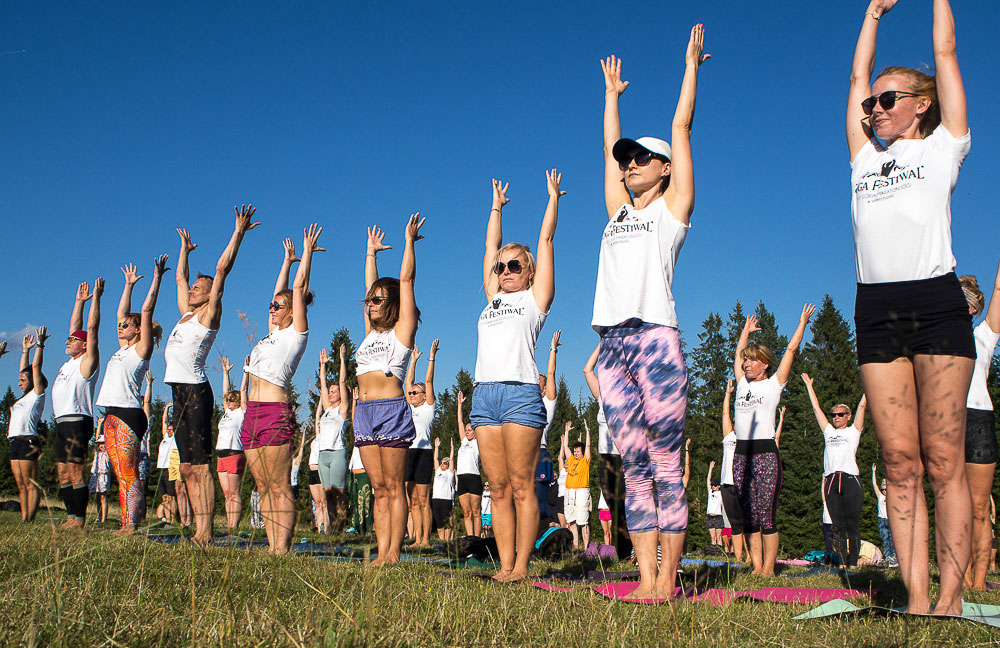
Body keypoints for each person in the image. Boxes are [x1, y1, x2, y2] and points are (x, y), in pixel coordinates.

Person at [847, 0, 973, 615]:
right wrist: (872, 14)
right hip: (876, 308)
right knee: (899, 461)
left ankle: (952, 597)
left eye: (887, 100)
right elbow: (854, 79)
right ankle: (916, 597)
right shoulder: (863, 156)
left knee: (943, 460)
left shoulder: (945, 145)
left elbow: (945, 53)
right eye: (871, 103)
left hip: (936, 303)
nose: (874, 109)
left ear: (921, 104)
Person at [594, 25, 708, 599]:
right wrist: (612, 100)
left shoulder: (673, 211)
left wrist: (690, 68)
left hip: (656, 341)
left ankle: (670, 578)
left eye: (642, 159)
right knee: (632, 465)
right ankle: (644, 579)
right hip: (612, 346)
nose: (632, 163)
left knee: (665, 461)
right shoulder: (618, 211)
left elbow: (680, 127)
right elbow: (608, 153)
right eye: (627, 160)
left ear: (664, 169)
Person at [473, 169, 562, 583]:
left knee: (524, 485)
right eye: (502, 266)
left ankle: (523, 566)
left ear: (528, 272)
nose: (506, 269)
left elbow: (545, 242)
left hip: (521, 393)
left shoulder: (534, 300)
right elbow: (491, 245)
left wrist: (552, 199)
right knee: (498, 486)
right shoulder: (492, 298)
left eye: (515, 265)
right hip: (484, 395)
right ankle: (504, 566)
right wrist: (496, 207)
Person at [166, 206, 258, 545]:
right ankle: (198, 528)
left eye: (199, 287)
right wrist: (184, 252)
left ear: (210, 293)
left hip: (195, 393)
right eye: (193, 286)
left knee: (202, 466)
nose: (192, 289)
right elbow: (179, 279)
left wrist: (239, 232)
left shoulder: (209, 314)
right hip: (177, 394)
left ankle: (205, 531)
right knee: (187, 467)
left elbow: (222, 269)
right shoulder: (184, 315)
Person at [243, 228, 320, 554]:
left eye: (279, 305)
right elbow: (282, 290)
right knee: (262, 486)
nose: (272, 307)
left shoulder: (296, 334)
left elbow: (296, 290)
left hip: (274, 412)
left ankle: (281, 549)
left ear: (293, 310)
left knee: (278, 485)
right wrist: (286, 262)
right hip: (251, 414)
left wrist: (307, 252)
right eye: (271, 305)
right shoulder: (272, 333)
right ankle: (272, 544)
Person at [355, 215, 426, 566]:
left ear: (394, 303)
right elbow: (372, 285)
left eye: (380, 300)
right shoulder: (370, 333)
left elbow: (406, 279)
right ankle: (382, 552)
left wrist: (408, 241)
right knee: (378, 489)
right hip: (363, 413)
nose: (372, 304)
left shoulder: (403, 330)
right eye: (370, 300)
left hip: (390, 408)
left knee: (395, 487)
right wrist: (370, 254)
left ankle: (393, 555)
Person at [733, 306, 815, 576]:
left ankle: (769, 567)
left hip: (765, 454)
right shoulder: (742, 383)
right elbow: (737, 354)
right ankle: (756, 566)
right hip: (741, 455)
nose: (746, 364)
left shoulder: (773, 384)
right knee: (749, 515)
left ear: (765, 363)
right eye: (745, 361)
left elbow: (790, 351)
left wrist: (801, 323)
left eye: (752, 360)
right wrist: (745, 331)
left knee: (766, 513)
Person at [97, 257, 168, 535]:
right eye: (121, 325)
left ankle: (131, 525)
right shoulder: (122, 349)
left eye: (127, 325)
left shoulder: (142, 349)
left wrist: (156, 278)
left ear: (139, 329)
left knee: (129, 474)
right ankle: (129, 520)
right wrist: (127, 285)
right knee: (120, 475)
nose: (121, 327)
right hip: (112, 414)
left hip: (129, 414)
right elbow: (120, 313)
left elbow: (145, 309)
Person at [959, 265, 1000, 590]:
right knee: (952, 501)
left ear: (973, 308)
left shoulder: (984, 334)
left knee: (978, 506)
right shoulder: (937, 338)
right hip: (946, 421)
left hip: (978, 419)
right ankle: (957, 575)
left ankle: (979, 580)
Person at [801, 373, 867, 568]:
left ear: (848, 416)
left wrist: (870, 386)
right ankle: (840, 564)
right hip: (831, 480)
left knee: (852, 525)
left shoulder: (853, 431)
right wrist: (809, 387)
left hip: (849, 479)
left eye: (840, 414)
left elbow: (862, 406)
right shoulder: (828, 432)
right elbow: (816, 408)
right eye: (834, 415)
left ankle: (853, 564)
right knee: (837, 526)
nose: (836, 418)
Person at [54, 280, 104, 529]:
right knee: (63, 472)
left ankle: (80, 519)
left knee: (75, 471)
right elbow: (75, 327)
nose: (67, 342)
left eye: (73, 340)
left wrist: (96, 299)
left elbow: (90, 329)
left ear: (84, 345)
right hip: (61, 422)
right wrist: (79, 302)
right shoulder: (68, 362)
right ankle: (70, 516)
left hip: (77, 420)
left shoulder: (87, 361)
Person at [584, 345, 629, 559]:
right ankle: (624, 552)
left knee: (626, 506)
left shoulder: (627, 396)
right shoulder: (602, 397)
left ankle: (634, 550)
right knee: (612, 505)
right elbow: (587, 370)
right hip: (605, 457)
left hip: (623, 457)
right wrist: (602, 344)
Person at [8, 328, 48, 522]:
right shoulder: (21, 399)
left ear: (32, 381)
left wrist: (39, 346)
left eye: (23, 380)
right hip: (15, 442)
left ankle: (29, 519)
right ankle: (24, 518)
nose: (19, 382)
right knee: (21, 484)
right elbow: (24, 370)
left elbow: (35, 368)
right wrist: (25, 351)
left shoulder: (36, 395)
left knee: (30, 483)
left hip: (28, 440)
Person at [404, 339, 439, 547]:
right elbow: (408, 384)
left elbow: (429, 380)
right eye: (410, 394)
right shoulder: (411, 408)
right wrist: (413, 361)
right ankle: (416, 538)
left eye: (415, 393)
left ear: (424, 396)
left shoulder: (428, 407)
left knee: (424, 499)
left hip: (424, 453)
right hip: (409, 453)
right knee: (413, 501)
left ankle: (426, 539)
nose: (411, 395)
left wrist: (431, 357)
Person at [317, 346, 350, 533]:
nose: (331, 393)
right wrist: (323, 366)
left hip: (337, 453)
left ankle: (340, 528)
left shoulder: (342, 410)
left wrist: (342, 359)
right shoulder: (327, 409)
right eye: (330, 391)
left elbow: (343, 381)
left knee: (339, 494)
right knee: (328, 494)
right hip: (323, 456)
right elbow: (322, 386)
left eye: (334, 391)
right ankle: (330, 529)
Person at [217, 357, 248, 532]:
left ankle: (233, 525)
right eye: (227, 400)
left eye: (231, 399)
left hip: (234, 453)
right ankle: (229, 523)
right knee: (227, 493)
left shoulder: (241, 413)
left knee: (234, 492)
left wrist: (246, 371)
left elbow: (244, 391)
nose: (228, 401)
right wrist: (225, 372)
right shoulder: (227, 413)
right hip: (221, 453)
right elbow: (225, 391)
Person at [536, 331, 560, 523]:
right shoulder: (523, 401)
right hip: (521, 453)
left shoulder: (547, 403)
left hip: (539, 454)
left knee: (540, 502)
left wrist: (552, 350)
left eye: (539, 381)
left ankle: (542, 538)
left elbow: (550, 374)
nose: (535, 381)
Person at [719, 379, 743, 561]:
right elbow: (725, 414)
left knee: (748, 523)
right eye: (734, 422)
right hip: (726, 484)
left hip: (743, 483)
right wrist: (728, 394)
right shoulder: (729, 436)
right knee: (735, 524)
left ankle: (752, 557)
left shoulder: (748, 438)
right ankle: (740, 558)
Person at [455, 390, 483, 537]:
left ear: (475, 432)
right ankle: (470, 538)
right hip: (462, 478)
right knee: (466, 513)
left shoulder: (478, 442)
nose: (467, 432)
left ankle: (477, 539)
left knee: (476, 512)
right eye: (466, 430)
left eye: (470, 430)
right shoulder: (464, 441)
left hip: (474, 478)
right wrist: (460, 404)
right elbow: (459, 422)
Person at [562, 422, 591, 549]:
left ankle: (586, 548)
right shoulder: (572, 460)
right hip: (569, 492)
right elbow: (565, 446)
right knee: (571, 521)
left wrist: (587, 430)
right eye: (575, 451)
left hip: (581, 492)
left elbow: (588, 445)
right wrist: (567, 431)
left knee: (583, 522)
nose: (576, 453)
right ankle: (575, 547)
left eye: (578, 451)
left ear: (582, 452)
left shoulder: (585, 460)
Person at [871, 464, 897, 568]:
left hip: (891, 520)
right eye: (883, 489)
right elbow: (874, 484)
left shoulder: (893, 497)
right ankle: (888, 557)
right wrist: (874, 472)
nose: (884, 491)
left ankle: (894, 557)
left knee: (893, 539)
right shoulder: (880, 497)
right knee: (885, 538)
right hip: (882, 520)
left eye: (886, 489)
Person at [431, 438, 456, 541]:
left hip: (446, 499)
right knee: (439, 523)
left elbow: (452, 460)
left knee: (447, 523)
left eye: (444, 463)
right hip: (436, 499)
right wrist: (436, 447)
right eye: (441, 462)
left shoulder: (450, 473)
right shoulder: (437, 471)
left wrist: (452, 448)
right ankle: (442, 542)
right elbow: (435, 459)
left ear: (448, 465)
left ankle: (447, 541)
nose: (442, 464)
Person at [155, 412, 177, 524]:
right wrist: (167, 409)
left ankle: (173, 519)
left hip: (170, 468)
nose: (168, 431)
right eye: (168, 429)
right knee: (165, 497)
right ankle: (168, 519)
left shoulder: (174, 439)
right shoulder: (165, 438)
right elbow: (164, 421)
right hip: (161, 468)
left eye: (171, 430)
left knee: (171, 497)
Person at [89, 431, 111, 523]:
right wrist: (99, 425)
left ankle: (104, 518)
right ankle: (99, 516)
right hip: (96, 476)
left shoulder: (108, 453)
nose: (102, 445)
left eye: (103, 443)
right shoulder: (97, 454)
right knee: (97, 498)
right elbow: (96, 437)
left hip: (103, 476)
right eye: (100, 444)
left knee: (103, 497)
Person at [307, 429, 325, 532]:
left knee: (323, 502)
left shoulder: (325, 439)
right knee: (317, 502)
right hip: (312, 470)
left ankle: (326, 526)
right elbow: (316, 419)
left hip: (320, 470)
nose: (318, 427)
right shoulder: (315, 439)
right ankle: (319, 527)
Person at [705, 461, 723, 548]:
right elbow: (708, 480)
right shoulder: (710, 492)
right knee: (713, 537)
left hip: (718, 516)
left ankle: (720, 552)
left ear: (718, 486)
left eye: (715, 485)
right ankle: (713, 553)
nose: (713, 487)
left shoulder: (721, 493)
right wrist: (710, 469)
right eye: (712, 485)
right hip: (710, 516)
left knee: (719, 537)